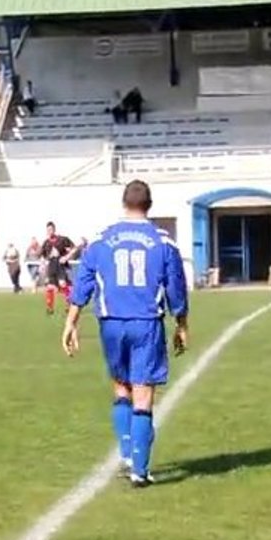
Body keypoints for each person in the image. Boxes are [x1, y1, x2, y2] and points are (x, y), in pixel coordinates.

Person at [62, 180, 189, 488]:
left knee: (121, 388)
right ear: (149, 205)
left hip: (111, 323)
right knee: (143, 393)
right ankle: (139, 471)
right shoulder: (164, 243)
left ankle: (128, 451)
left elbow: (83, 285)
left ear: (124, 203)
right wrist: (181, 323)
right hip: (146, 322)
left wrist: (71, 323)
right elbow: (175, 288)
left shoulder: (101, 240)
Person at [40, 222, 76, 315]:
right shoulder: (46, 243)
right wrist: (43, 265)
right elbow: (43, 256)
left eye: (51, 229)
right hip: (51, 266)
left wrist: (66, 257)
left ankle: (69, 304)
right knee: (50, 287)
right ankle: (50, 308)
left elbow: (74, 248)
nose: (49, 231)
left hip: (61, 265)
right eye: (48, 230)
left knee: (63, 284)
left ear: (54, 229)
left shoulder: (62, 239)